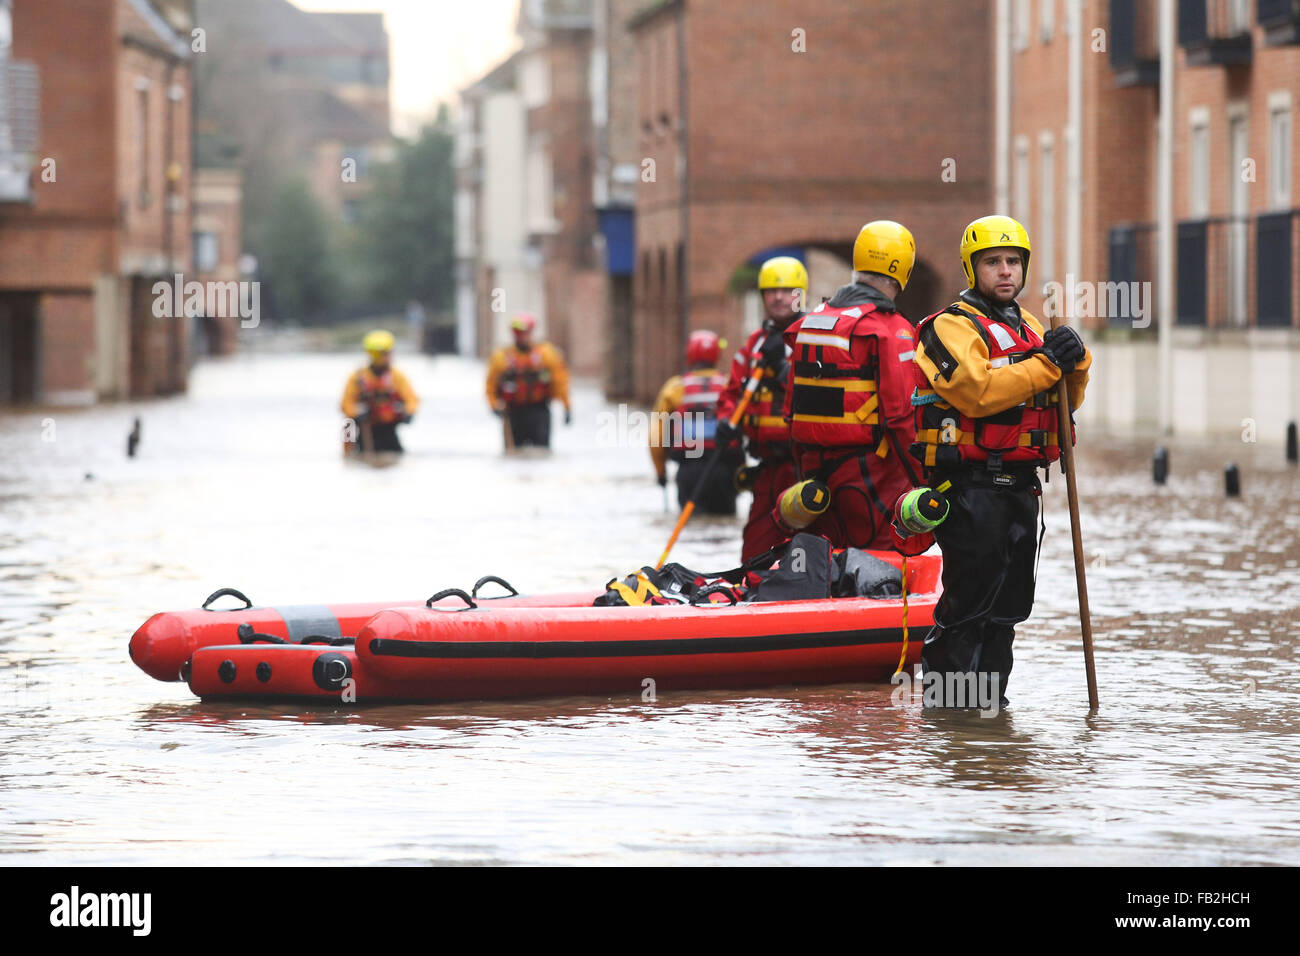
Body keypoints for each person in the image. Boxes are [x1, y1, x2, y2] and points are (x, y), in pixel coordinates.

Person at [907, 214, 1091, 707]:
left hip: (1021, 488)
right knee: (969, 604)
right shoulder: (948, 327)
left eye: (1013, 261)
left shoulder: (1031, 327)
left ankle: (988, 716)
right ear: (973, 269)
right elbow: (977, 393)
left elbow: (1061, 405)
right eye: (993, 262)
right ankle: (948, 714)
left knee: (1009, 609)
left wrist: (1076, 365)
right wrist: (1049, 363)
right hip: (970, 489)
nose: (1005, 271)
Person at [779, 220, 922, 549]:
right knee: (880, 565)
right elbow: (900, 416)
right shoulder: (889, 329)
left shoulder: (812, 320)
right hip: (871, 478)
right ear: (903, 269)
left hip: (814, 480)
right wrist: (924, 480)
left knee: (823, 561)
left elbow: (791, 410)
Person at [715, 256, 806, 560]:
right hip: (767, 466)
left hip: (805, 467)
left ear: (800, 295)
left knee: (806, 543)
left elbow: (822, 391)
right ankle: (753, 589)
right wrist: (726, 421)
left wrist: (783, 368)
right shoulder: (754, 345)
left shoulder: (814, 337)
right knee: (755, 545)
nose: (778, 297)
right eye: (770, 291)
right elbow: (732, 393)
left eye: (786, 290)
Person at [650, 330, 739, 514]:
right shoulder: (730, 385)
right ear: (717, 355)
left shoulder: (674, 388)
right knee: (723, 527)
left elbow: (656, 438)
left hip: (688, 472)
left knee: (692, 527)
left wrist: (661, 473)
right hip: (725, 471)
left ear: (689, 354)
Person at [485, 313, 572, 450]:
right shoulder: (502, 357)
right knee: (514, 453)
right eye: (518, 333)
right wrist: (493, 406)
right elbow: (491, 384)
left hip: (539, 410)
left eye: (524, 333)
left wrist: (567, 407)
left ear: (531, 332)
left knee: (541, 452)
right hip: (513, 413)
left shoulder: (546, 354)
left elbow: (560, 381)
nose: (521, 337)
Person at [340, 329, 419, 453]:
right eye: (386, 353)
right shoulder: (358, 377)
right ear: (376, 355)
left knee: (395, 456)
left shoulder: (396, 376)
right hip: (366, 432)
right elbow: (345, 404)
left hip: (389, 431)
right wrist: (356, 413)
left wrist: (409, 412)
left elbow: (411, 399)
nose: (390, 356)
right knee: (362, 458)